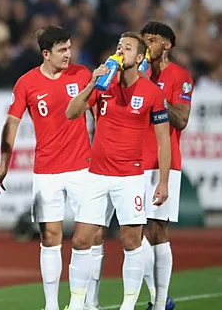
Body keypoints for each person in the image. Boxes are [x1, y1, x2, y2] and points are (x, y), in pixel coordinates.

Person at [0, 25, 97, 310]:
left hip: (83, 168)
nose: (68, 55)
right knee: (50, 237)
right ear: (46, 54)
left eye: (69, 48)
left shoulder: (83, 75)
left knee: (89, 237)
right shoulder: (27, 83)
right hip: (46, 170)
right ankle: (51, 305)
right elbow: (12, 123)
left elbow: (100, 115)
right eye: (62, 50)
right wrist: (3, 164)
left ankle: (82, 303)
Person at [64, 31, 171, 310]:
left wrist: (163, 182)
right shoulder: (103, 84)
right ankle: (77, 304)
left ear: (139, 57)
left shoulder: (152, 93)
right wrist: (91, 83)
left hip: (130, 178)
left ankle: (127, 305)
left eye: (128, 48)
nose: (121, 51)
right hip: (97, 175)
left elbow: (163, 142)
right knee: (81, 239)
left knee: (130, 241)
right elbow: (71, 112)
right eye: (119, 46)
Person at [140, 21, 192, 310]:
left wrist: (150, 90)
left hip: (164, 162)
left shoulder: (180, 76)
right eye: (144, 40)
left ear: (167, 45)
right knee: (131, 231)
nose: (147, 45)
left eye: (152, 40)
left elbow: (182, 119)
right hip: (133, 161)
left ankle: (159, 302)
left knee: (158, 230)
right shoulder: (135, 75)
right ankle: (158, 296)